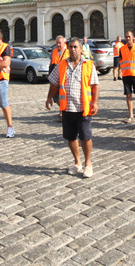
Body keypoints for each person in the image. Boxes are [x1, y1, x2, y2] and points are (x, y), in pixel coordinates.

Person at [44, 37, 100, 178]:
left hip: (84, 107)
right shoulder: (61, 65)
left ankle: (88, 164)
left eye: (75, 47)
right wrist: (49, 97)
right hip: (67, 107)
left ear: (81, 49)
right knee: (70, 137)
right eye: (70, 47)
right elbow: (54, 83)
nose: (73, 49)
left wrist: (95, 102)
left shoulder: (88, 65)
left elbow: (95, 85)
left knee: (85, 137)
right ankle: (77, 163)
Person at [118, 31, 135, 123]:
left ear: (133, 37)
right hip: (126, 74)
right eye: (126, 37)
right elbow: (121, 61)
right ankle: (131, 114)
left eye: (129, 36)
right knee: (128, 94)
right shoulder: (122, 49)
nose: (128, 38)